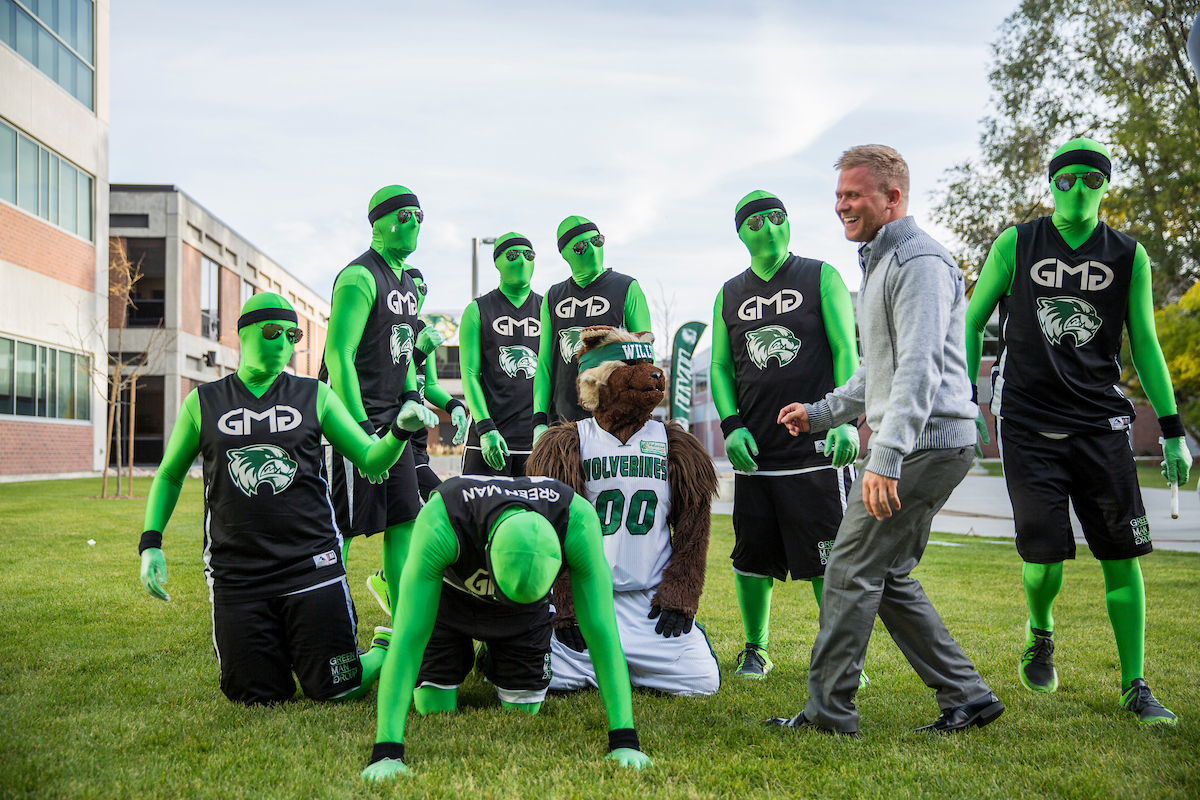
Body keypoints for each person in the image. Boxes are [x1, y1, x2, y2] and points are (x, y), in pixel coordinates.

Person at [773, 144, 1003, 735]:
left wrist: (887, 455)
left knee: (848, 566)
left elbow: (919, 369)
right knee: (887, 572)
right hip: (922, 440)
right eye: (839, 196)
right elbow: (878, 370)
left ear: (892, 196)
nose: (842, 206)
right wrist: (820, 412)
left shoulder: (918, 262)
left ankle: (828, 713)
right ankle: (968, 697)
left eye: (853, 195)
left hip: (924, 443)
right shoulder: (880, 264)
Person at [965, 138, 1192, 724]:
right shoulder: (1018, 242)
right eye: (1065, 180)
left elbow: (1144, 342)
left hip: (1101, 424)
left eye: (1090, 179)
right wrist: (966, 398)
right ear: (1051, 184)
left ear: (1104, 186)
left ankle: (1136, 684)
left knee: (1124, 558)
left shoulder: (1128, 254)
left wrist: (1171, 431)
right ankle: (1040, 631)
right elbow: (971, 321)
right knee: (1044, 565)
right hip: (1027, 425)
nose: (1077, 190)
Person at [137, 293, 432, 705]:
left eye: (292, 335)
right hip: (238, 575)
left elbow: (369, 456)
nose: (283, 344)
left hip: (310, 566)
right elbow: (168, 474)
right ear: (244, 334)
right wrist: (151, 543)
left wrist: (399, 431)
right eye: (273, 332)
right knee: (255, 697)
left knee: (337, 689)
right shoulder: (203, 403)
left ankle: (383, 648)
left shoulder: (315, 395)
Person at [361, 475, 652, 780]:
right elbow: (409, 636)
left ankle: (492, 655)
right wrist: (387, 750)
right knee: (433, 708)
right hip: (451, 603)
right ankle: (448, 653)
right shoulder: (442, 519)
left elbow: (602, 631)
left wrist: (625, 740)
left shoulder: (578, 521)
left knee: (524, 712)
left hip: (524, 618)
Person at [710, 190, 861, 680]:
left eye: (777, 218)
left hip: (816, 446)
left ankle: (838, 656)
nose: (769, 228)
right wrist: (731, 427)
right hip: (756, 452)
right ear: (741, 233)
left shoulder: (821, 275)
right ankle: (756, 648)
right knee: (752, 557)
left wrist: (843, 419)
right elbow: (719, 367)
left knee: (829, 558)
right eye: (756, 222)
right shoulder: (729, 293)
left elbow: (845, 349)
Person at [529, 326, 721, 696]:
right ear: (597, 381)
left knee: (701, 681)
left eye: (647, 363)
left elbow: (694, 529)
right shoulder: (569, 443)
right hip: (587, 601)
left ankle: (612, 667)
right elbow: (549, 531)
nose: (648, 372)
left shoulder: (674, 443)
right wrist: (564, 600)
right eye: (629, 365)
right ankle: (610, 666)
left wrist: (681, 594)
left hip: (648, 602)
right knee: (531, 672)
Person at [318, 186, 438, 616]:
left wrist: (410, 397)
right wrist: (362, 428)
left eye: (421, 217)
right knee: (341, 527)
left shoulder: (406, 282)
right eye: (407, 216)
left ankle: (404, 617)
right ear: (381, 222)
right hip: (354, 419)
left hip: (394, 421)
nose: (416, 224)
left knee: (405, 519)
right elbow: (338, 355)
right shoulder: (359, 276)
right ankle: (324, 613)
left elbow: (402, 350)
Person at [365, 267, 469, 616]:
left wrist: (455, 405)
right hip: (393, 438)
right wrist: (418, 353)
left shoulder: (422, 328)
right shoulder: (382, 326)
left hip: (419, 441)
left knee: (416, 514)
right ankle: (390, 583)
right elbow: (388, 378)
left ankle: (392, 580)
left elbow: (430, 385)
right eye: (413, 286)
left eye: (423, 287)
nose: (418, 292)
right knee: (430, 507)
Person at [531, 216, 652, 443]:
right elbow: (545, 364)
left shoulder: (627, 288)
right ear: (565, 254)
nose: (592, 251)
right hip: (563, 423)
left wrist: (639, 415)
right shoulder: (553, 297)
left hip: (616, 423)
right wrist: (538, 421)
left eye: (597, 241)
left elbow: (645, 358)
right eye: (580, 247)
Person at [458, 233, 543, 476]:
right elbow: (470, 375)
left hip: (535, 440)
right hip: (489, 439)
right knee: (479, 514)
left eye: (529, 255)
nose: (522, 262)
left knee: (534, 514)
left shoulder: (548, 308)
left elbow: (550, 373)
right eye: (513, 255)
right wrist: (485, 428)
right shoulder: (477, 310)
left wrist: (546, 427)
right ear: (497, 262)